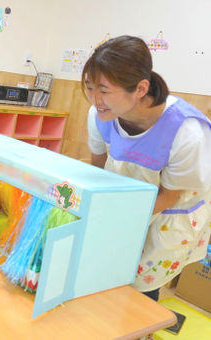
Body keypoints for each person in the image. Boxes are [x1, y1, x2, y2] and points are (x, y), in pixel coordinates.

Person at [82, 35, 211, 301]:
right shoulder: (99, 115)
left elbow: (169, 195)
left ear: (140, 89)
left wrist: (120, 222)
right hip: (125, 205)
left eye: (104, 90)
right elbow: (98, 165)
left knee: (138, 290)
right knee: (105, 277)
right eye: (89, 87)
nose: (95, 99)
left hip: (166, 215)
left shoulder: (187, 132)